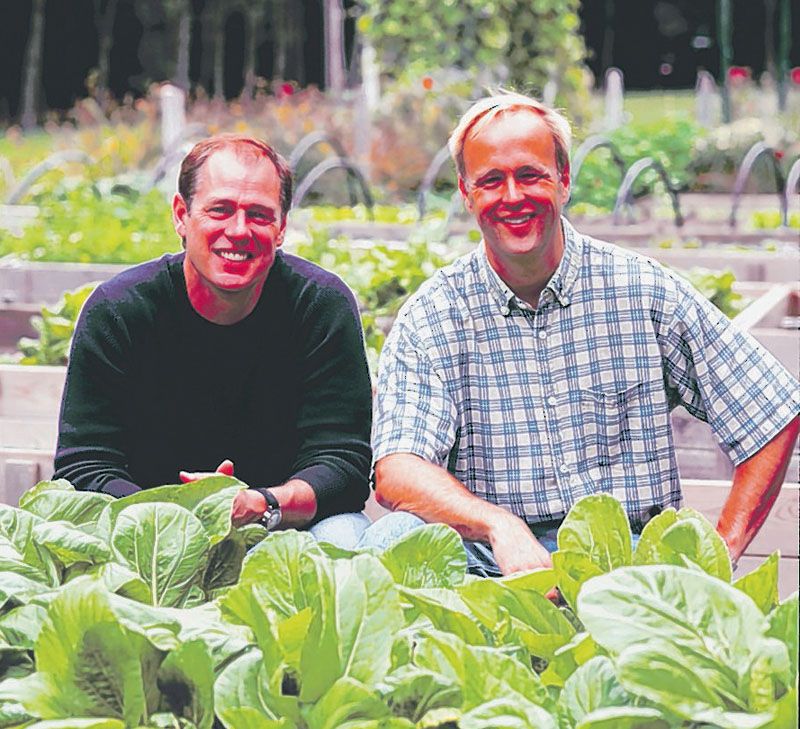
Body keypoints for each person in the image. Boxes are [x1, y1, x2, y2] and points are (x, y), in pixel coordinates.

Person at [371, 91, 800, 576]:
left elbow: (773, 411)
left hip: (626, 563)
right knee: (388, 540)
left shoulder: (640, 289)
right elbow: (396, 470)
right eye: (491, 181)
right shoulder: (434, 315)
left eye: (530, 175)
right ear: (467, 194)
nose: (512, 197)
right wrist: (499, 526)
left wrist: (722, 552)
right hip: (491, 561)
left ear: (565, 180)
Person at [55, 135, 373, 545]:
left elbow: (343, 465)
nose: (238, 231)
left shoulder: (319, 306)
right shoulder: (119, 311)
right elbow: (84, 466)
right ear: (181, 216)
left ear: (281, 228)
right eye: (220, 210)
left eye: (259, 215)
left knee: (346, 537)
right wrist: (176, 515)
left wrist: (259, 503)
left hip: (284, 528)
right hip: (142, 535)